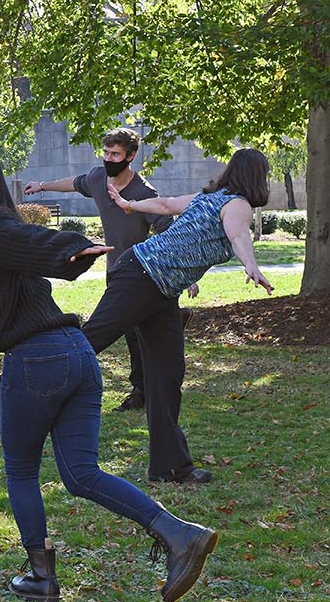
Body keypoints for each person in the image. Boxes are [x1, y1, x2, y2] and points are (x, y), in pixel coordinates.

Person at [0, 150, 217, 602]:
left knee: (21, 470)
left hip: (38, 362)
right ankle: (178, 534)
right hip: (79, 355)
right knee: (81, 474)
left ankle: (42, 577)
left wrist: (70, 248)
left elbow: (33, 240)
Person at [80, 147, 274, 485]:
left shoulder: (210, 198)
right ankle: (9, 389)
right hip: (141, 275)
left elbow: (166, 204)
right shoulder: (237, 205)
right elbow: (237, 234)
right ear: (257, 176)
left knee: (167, 375)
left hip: (161, 290)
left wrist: (131, 205)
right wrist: (251, 264)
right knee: (89, 341)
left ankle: (170, 468)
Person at [22, 128, 192, 413]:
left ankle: (141, 391)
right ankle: (165, 336)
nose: (109, 159)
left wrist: (184, 273)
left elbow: (167, 230)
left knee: (125, 331)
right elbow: (74, 183)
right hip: (116, 269)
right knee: (133, 333)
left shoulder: (143, 193)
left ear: (131, 156)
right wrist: (42, 186)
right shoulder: (98, 178)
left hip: (142, 274)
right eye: (106, 153)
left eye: (115, 154)